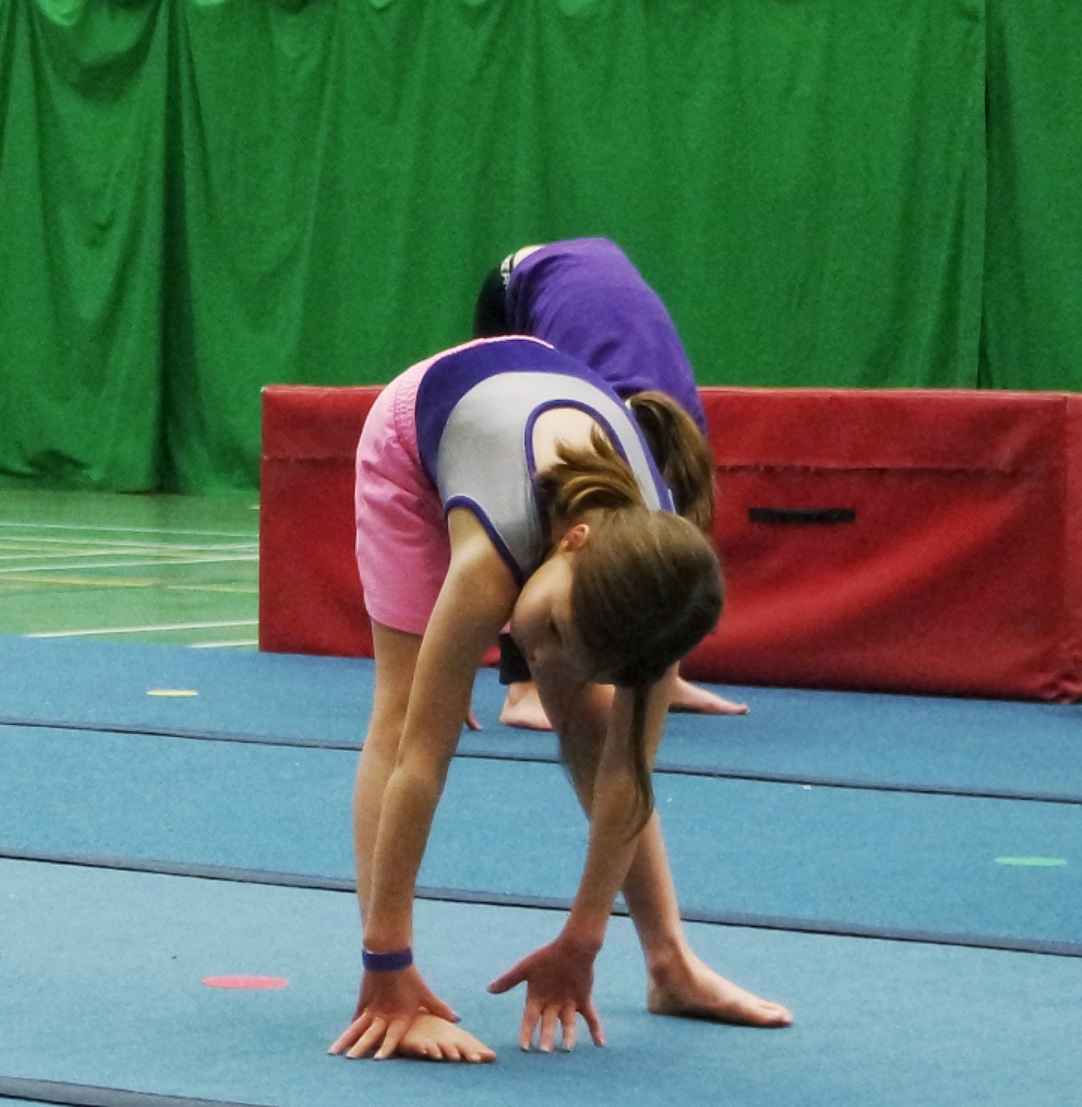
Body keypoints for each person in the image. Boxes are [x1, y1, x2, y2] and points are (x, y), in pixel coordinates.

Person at [334, 333, 790, 1064]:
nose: (541, 657)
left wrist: (583, 937)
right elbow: (417, 762)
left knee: (588, 717)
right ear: (572, 541)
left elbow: (626, 773)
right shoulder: (490, 560)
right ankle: (395, 982)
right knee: (407, 708)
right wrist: (385, 964)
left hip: (532, 418)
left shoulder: (664, 578)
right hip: (416, 431)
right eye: (550, 630)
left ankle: (669, 964)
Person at [472, 238, 747, 729]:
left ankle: (666, 678)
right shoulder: (578, 432)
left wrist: (662, 671)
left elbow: (673, 556)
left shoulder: (682, 440)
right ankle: (521, 691)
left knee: (654, 535)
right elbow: (520, 523)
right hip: (520, 284)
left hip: (594, 282)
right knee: (539, 513)